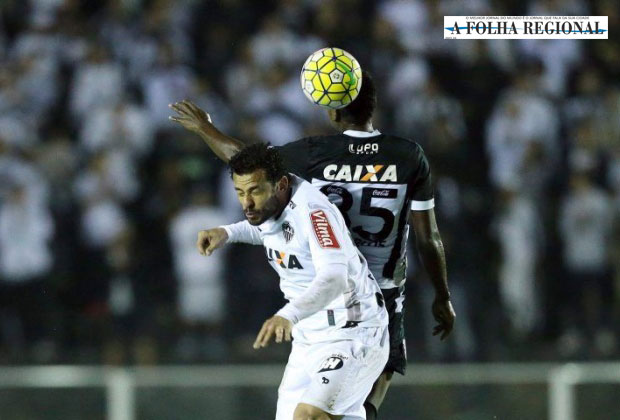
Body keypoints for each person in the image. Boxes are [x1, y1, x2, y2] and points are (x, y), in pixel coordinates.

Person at [170, 70, 455, 419]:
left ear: (332, 111)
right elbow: (428, 238)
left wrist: (205, 129)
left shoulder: (313, 157)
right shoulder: (408, 156)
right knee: (362, 405)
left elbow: (249, 162)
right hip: (378, 290)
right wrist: (442, 295)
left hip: (354, 304)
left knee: (323, 412)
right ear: (374, 106)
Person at [199, 143, 389, 419]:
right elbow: (269, 230)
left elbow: (334, 277)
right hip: (308, 338)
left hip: (352, 332)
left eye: (254, 191)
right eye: (240, 192)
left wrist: (288, 314)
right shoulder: (272, 206)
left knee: (307, 416)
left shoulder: (314, 213)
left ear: (281, 185)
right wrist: (227, 232)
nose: (246, 203)